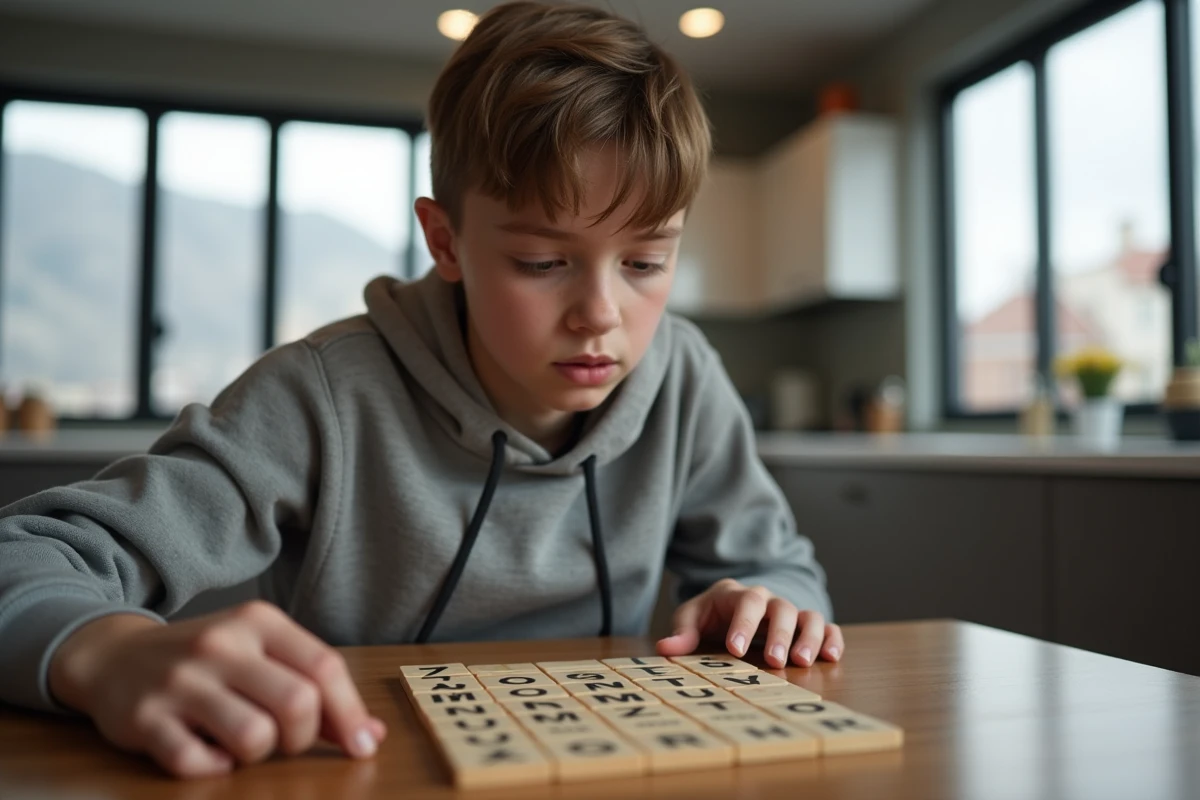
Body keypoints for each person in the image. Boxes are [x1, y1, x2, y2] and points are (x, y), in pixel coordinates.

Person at [0, 0, 840, 780]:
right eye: (542, 263)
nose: (599, 316)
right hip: (365, 767)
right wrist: (100, 651)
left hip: (600, 762)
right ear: (445, 240)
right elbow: (26, 555)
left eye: (646, 264)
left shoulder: (683, 377)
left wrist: (770, 605)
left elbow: (776, 565)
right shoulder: (324, 396)